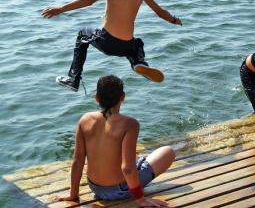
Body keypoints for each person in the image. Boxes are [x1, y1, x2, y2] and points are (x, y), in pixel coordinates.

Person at [42, 0, 182, 91]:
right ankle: (139, 63)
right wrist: (174, 20)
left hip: (107, 41)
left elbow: (90, 0)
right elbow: (160, 12)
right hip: (126, 46)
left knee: (82, 35)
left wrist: (60, 9)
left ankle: (74, 79)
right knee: (137, 44)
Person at [58, 75, 176, 207]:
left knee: (132, 159)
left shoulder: (84, 120)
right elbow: (127, 169)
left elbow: (78, 160)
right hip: (119, 190)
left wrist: (73, 194)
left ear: (97, 97)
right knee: (168, 151)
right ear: (123, 97)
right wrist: (141, 199)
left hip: (95, 187)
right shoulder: (130, 124)